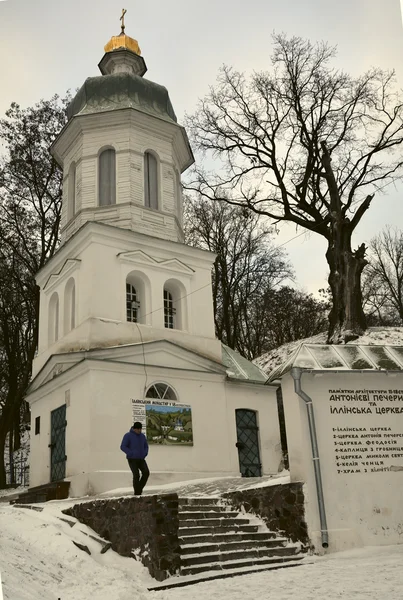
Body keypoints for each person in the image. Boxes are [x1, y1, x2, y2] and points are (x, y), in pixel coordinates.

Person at [120, 422, 150, 495]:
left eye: (140, 429)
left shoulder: (142, 436)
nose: (139, 431)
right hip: (132, 459)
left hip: (141, 458)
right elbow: (123, 446)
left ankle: (139, 489)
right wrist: (131, 453)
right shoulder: (128, 435)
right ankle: (137, 493)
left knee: (146, 473)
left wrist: (145, 453)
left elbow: (146, 446)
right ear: (134, 428)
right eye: (137, 429)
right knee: (136, 475)